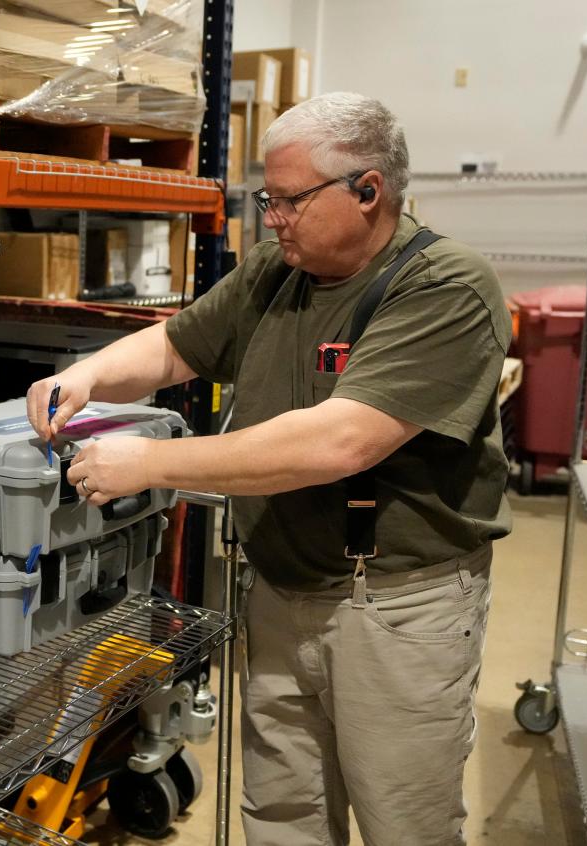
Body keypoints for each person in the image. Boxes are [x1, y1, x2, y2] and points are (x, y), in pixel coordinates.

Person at [25, 91, 512, 846]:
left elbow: (337, 442)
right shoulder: (275, 273)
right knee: (284, 815)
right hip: (282, 591)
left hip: (394, 609)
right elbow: (175, 346)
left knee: (403, 823)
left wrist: (150, 461)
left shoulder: (447, 287)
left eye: (288, 200)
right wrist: (84, 375)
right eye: (267, 198)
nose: (271, 217)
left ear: (367, 191)